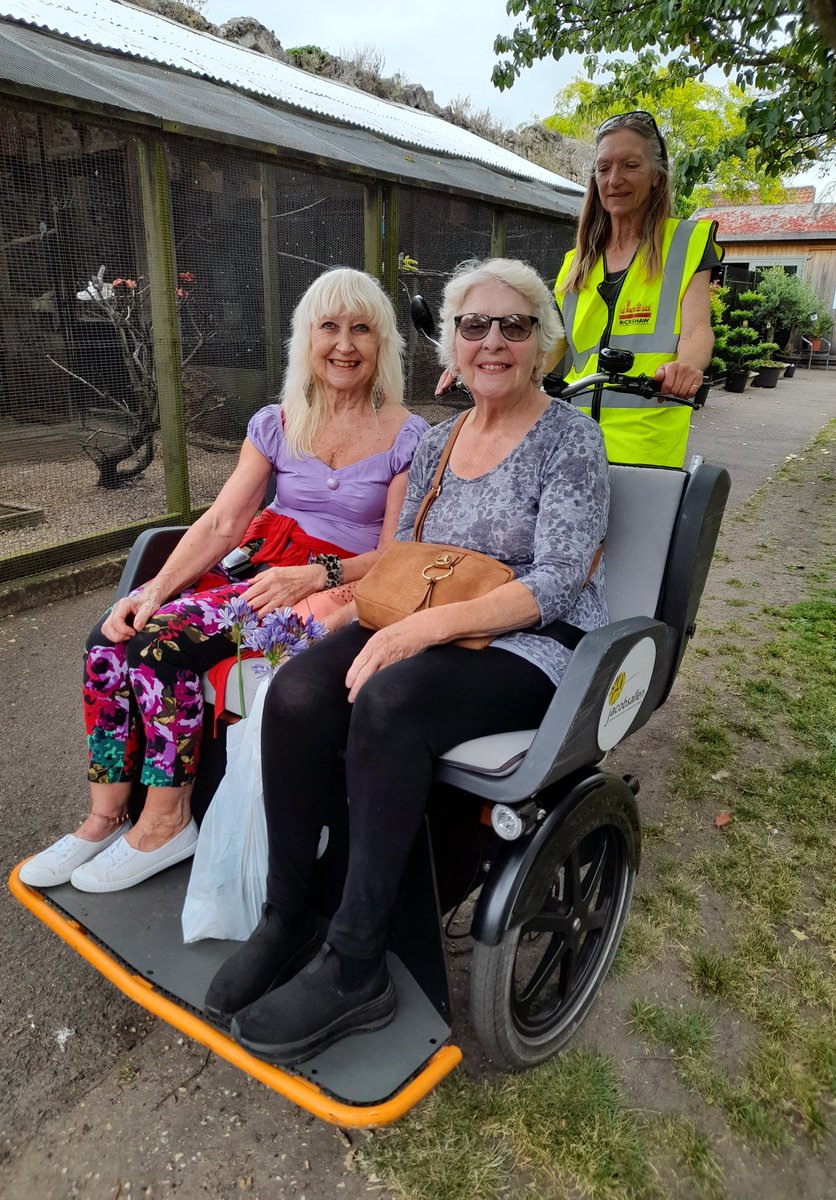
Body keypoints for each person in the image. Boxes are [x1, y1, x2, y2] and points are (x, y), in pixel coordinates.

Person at [203, 257, 611, 1063]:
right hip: (427, 616)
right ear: (452, 346)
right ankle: (290, 915)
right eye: (473, 326)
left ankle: (358, 966)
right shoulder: (442, 435)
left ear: (541, 343)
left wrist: (416, 633)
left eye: (513, 325)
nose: (492, 341)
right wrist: (327, 584)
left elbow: (560, 581)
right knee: (295, 692)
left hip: (530, 641)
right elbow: (398, 556)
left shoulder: (572, 437)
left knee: (390, 701)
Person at [20, 268, 429, 893]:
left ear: (383, 343)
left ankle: (166, 822)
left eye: (360, 329)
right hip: (262, 570)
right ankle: (104, 817)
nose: (344, 345)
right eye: (329, 327)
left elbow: (397, 554)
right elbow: (223, 520)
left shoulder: (408, 435)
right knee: (108, 640)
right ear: (305, 339)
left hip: (337, 588)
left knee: (160, 646)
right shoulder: (277, 421)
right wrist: (151, 589)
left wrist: (316, 574)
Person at [437, 112, 722, 469]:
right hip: (572, 437)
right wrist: (477, 359)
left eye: (630, 165)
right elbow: (556, 344)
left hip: (646, 441)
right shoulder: (576, 263)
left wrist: (686, 367)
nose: (614, 179)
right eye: (604, 168)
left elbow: (697, 330)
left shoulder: (686, 242)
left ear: (656, 176)